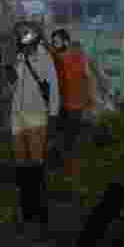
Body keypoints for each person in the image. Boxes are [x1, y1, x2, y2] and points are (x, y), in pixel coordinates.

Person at [9, 20, 60, 241]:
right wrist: (10, 79)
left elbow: (54, 85)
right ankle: (25, 212)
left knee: (36, 165)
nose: (23, 36)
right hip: (17, 115)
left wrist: (54, 114)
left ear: (35, 35)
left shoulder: (44, 56)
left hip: (36, 114)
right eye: (20, 33)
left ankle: (40, 217)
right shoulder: (19, 56)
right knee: (21, 165)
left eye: (26, 33)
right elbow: (16, 85)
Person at [48, 28, 93, 178]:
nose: (54, 44)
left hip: (74, 105)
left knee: (70, 140)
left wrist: (88, 99)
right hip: (60, 105)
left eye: (57, 41)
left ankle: (68, 170)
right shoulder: (54, 58)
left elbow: (87, 78)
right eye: (53, 41)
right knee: (59, 138)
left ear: (66, 41)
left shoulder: (78, 57)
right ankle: (61, 169)